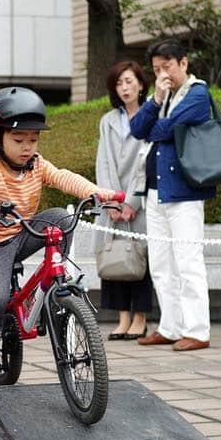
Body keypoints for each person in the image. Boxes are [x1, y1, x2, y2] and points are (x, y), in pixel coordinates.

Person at [0, 87, 116, 374]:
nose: (27, 147)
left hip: (23, 231)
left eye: (33, 140)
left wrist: (96, 193)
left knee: (61, 218)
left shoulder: (37, 164)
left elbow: (61, 177)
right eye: (18, 140)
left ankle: (57, 282)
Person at [129, 40, 213, 351]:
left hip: (185, 192)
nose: (162, 73)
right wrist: (155, 99)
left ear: (184, 63)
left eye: (167, 67)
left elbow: (163, 131)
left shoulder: (198, 94)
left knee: (188, 262)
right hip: (155, 191)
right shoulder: (161, 97)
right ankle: (171, 326)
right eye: (156, 69)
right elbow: (138, 127)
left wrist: (157, 121)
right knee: (162, 264)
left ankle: (197, 331)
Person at [95, 62, 154, 341]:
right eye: (119, 83)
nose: (125, 88)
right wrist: (111, 200)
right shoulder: (107, 120)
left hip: (138, 204)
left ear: (141, 84)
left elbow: (144, 164)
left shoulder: (149, 116)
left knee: (139, 259)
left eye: (129, 81)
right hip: (111, 204)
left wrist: (131, 202)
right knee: (114, 259)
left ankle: (140, 319)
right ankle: (122, 318)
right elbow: (103, 162)